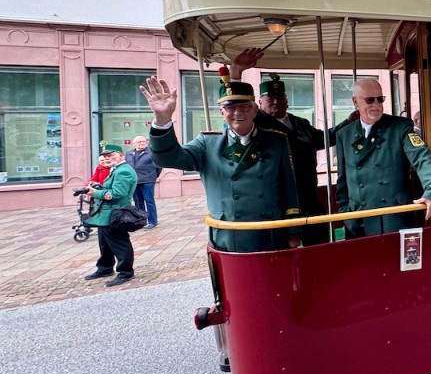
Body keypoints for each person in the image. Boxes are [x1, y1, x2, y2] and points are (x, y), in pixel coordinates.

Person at [142, 72, 302, 252]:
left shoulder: (277, 141)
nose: (238, 113)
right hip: (228, 235)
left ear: (255, 110)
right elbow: (166, 158)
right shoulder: (207, 144)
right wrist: (162, 120)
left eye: (244, 107)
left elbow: (289, 188)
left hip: (270, 233)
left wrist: (293, 231)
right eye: (230, 108)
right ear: (222, 112)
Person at [229, 49, 329, 246]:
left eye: (280, 98)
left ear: (287, 101)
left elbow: (322, 139)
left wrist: (350, 122)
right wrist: (236, 73)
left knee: (319, 245)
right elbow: (236, 104)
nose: (276, 102)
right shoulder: (255, 123)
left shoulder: (300, 123)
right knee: (282, 249)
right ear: (259, 104)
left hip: (308, 196)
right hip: (276, 200)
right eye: (270, 99)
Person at [332, 78, 431, 238]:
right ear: (355, 102)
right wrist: (345, 213)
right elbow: (342, 181)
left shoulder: (400, 127)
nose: (376, 104)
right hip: (358, 222)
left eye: (380, 99)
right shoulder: (344, 134)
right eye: (370, 100)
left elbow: (421, 156)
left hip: (393, 219)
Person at [83, 143, 139, 287]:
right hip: (106, 213)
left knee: (119, 243)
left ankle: (126, 272)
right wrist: (96, 188)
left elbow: (118, 193)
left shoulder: (123, 171)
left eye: (111, 155)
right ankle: (105, 268)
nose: (107, 158)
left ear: (121, 155)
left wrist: (96, 193)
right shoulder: (116, 169)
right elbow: (110, 188)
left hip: (115, 213)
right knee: (105, 243)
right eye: (105, 156)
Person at [126, 135, 161, 229]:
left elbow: (159, 165)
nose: (141, 143)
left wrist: (154, 175)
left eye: (143, 141)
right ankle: (142, 221)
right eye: (139, 142)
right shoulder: (128, 153)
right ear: (134, 144)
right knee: (138, 202)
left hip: (148, 180)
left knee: (149, 201)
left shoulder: (152, 153)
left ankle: (152, 221)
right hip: (134, 182)